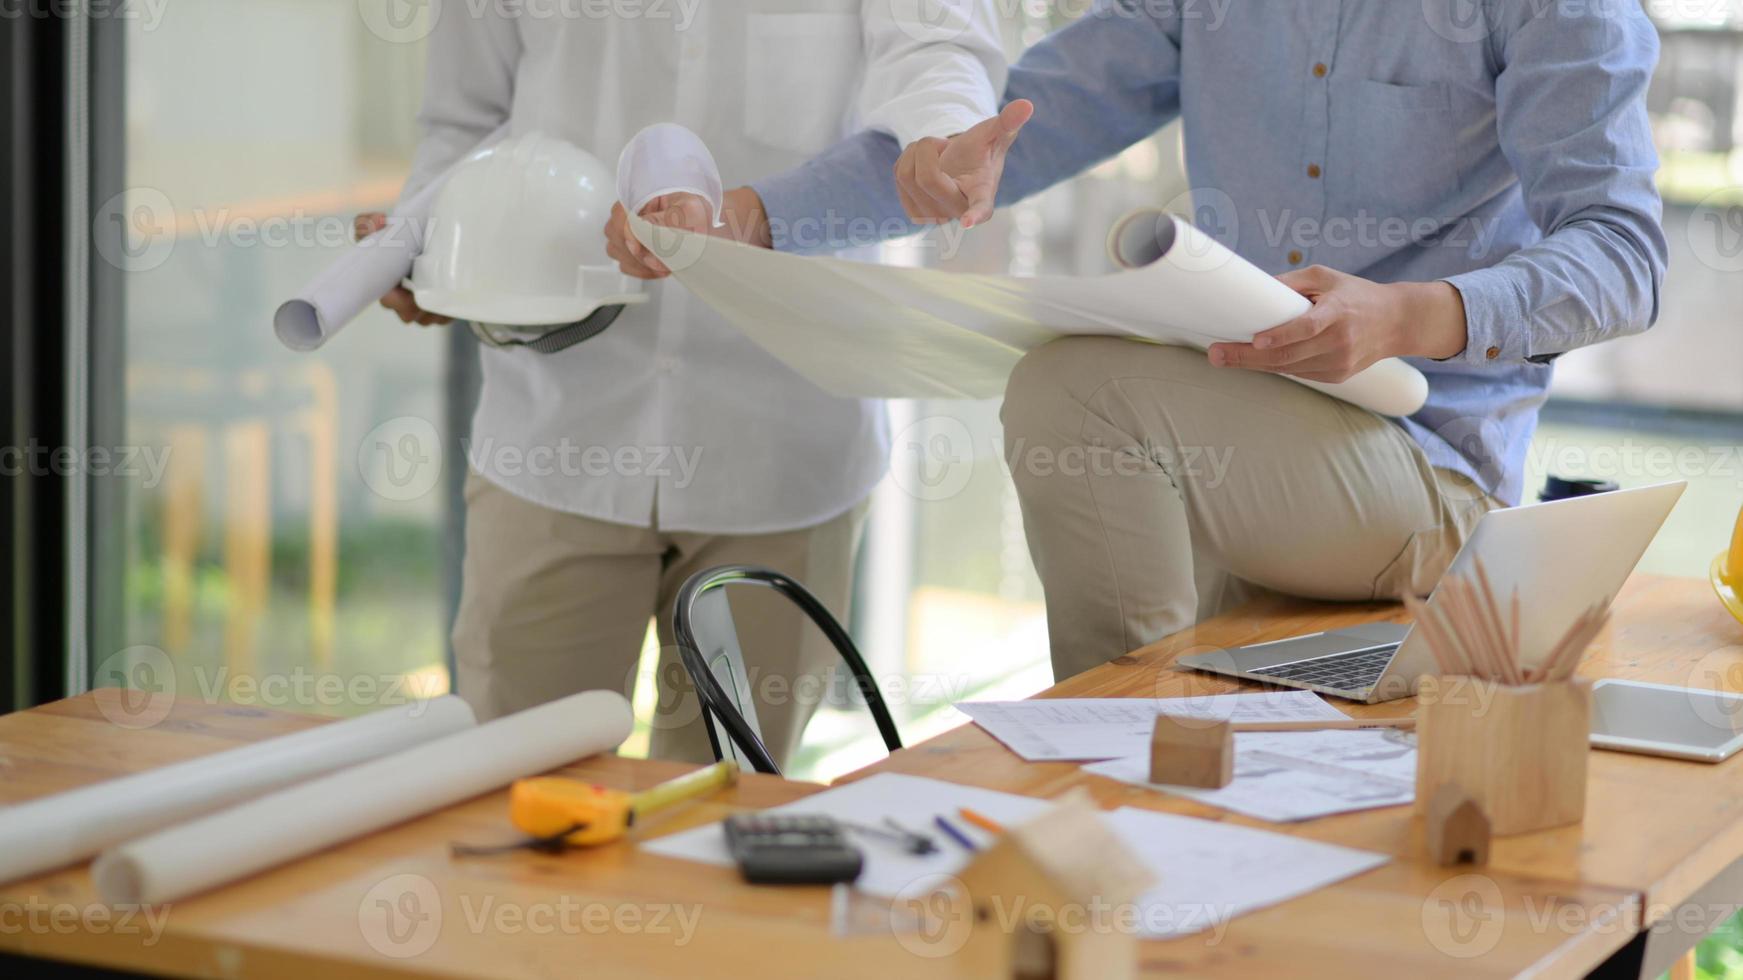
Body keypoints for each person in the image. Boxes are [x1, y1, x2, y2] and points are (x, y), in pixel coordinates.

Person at [609, 2, 1667, 681]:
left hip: (1434, 470)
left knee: (1081, 391)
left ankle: (1100, 763)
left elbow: (1627, 255)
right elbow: (1027, 119)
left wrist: (1413, 312)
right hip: (1250, 463)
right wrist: (746, 217)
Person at [357, 3, 1005, 765]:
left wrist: (946, 133)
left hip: (785, 441)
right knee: (516, 809)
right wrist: (430, 248)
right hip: (556, 435)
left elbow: (935, 46)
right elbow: (466, 123)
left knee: (727, 822)